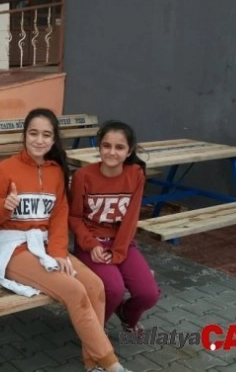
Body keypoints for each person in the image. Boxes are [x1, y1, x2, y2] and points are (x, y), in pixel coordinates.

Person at [0, 108, 132, 372]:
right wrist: (5, 207)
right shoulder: (4, 169)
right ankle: (112, 365)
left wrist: (59, 253)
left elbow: (59, 216)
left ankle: (92, 365)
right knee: (74, 290)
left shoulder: (55, 172)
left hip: (44, 245)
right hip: (13, 248)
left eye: (46, 135)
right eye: (33, 133)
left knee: (95, 286)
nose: (39, 140)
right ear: (24, 135)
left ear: (53, 140)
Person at [69, 120, 160, 335]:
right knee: (113, 289)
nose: (111, 152)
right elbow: (74, 217)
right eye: (106, 146)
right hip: (91, 244)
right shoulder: (83, 176)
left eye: (119, 147)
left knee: (148, 294)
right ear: (99, 147)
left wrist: (117, 253)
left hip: (122, 243)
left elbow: (131, 219)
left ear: (129, 151)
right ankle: (93, 333)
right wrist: (92, 245)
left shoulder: (135, 174)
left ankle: (126, 315)